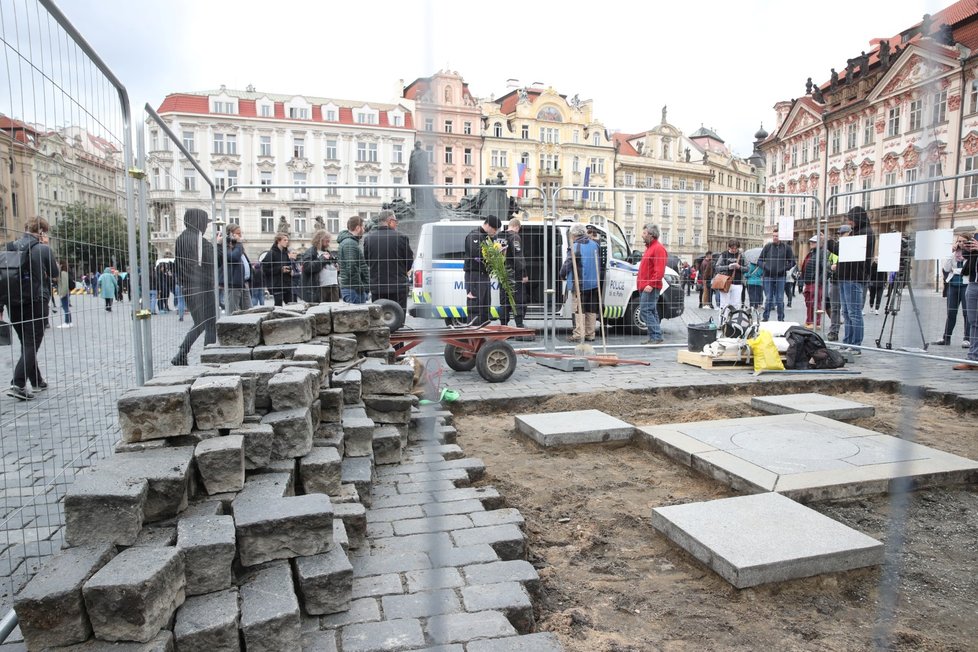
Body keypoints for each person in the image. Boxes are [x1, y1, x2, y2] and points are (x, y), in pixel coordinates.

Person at [4, 218, 59, 400]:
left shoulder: (9, 247)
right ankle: (18, 383)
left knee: (27, 343)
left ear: (26, 228)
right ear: (42, 232)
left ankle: (36, 380)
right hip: (36, 302)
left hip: (13, 304)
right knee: (31, 343)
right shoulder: (42, 249)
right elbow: (54, 274)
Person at [172, 208, 217, 366]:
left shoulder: (180, 239)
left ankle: (182, 353)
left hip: (187, 287)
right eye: (205, 223)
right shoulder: (200, 240)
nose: (206, 227)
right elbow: (212, 261)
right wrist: (216, 245)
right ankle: (209, 358)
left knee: (200, 323)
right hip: (202, 287)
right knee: (210, 323)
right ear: (199, 222)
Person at [828, 206, 875, 353]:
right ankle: (847, 342)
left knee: (854, 312)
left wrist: (829, 242)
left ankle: (856, 345)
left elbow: (842, 249)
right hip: (845, 276)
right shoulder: (855, 232)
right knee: (847, 313)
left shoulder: (865, 233)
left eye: (851, 219)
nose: (849, 222)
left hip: (854, 277)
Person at [363, 209, 413, 312]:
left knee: (379, 318)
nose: (396, 224)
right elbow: (409, 261)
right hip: (398, 286)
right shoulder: (401, 238)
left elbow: (367, 261)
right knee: (397, 318)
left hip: (378, 286)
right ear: (390, 221)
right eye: (395, 221)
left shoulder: (369, 239)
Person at [462, 215, 501, 325]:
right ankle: (473, 334)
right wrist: (493, 253)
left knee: (485, 306)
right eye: (494, 229)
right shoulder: (475, 235)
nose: (495, 232)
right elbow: (476, 253)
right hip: (474, 274)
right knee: (475, 305)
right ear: (488, 225)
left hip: (484, 275)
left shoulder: (486, 238)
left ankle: (482, 333)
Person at [565, 223, 600, 343]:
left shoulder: (575, 247)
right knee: (591, 309)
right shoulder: (595, 245)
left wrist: (561, 274)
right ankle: (590, 334)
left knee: (579, 308)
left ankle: (579, 334)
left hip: (580, 283)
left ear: (574, 234)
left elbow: (568, 264)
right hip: (594, 283)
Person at [938, 230, 973, 347]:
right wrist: (950, 252)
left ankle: (967, 339)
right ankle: (946, 338)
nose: (961, 243)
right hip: (953, 285)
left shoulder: (971, 253)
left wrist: (956, 270)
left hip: (966, 285)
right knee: (951, 312)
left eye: (964, 241)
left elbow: (967, 271)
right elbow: (947, 268)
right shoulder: (954, 254)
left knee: (966, 313)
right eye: (959, 241)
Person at [757, 226, 796, 322]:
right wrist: (766, 267)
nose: (775, 238)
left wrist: (784, 269)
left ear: (781, 237)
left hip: (780, 276)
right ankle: (765, 318)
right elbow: (759, 261)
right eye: (774, 236)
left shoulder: (786, 248)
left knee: (779, 298)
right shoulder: (768, 247)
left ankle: (781, 318)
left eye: (777, 236)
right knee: (769, 297)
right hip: (768, 276)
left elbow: (792, 262)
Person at [637, 223, 667, 345]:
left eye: (644, 233)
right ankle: (654, 336)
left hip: (650, 286)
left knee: (645, 310)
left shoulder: (658, 248)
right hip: (645, 285)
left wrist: (651, 284)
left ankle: (656, 335)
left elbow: (659, 270)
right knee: (651, 310)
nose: (642, 235)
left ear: (651, 235)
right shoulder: (650, 248)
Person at [499, 218, 528, 329]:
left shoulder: (499, 236)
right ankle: (519, 325)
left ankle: (503, 326)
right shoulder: (515, 237)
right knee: (519, 299)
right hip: (514, 273)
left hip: (502, 272)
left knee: (504, 301)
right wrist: (524, 274)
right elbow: (518, 257)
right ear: (517, 227)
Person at [956, 230, 978, 369]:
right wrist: (966, 248)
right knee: (974, 321)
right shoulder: (976, 235)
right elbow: (968, 258)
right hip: (973, 282)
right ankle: (973, 359)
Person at [300, 229, 339, 303]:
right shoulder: (311, 252)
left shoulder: (327, 251)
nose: (328, 244)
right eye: (326, 241)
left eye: (329, 241)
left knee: (334, 310)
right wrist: (322, 259)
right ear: (320, 240)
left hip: (333, 285)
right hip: (320, 287)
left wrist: (336, 266)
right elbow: (307, 267)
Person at [338, 216, 370, 304]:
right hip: (353, 289)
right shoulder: (350, 243)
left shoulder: (350, 242)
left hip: (352, 288)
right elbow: (351, 267)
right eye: (363, 227)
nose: (364, 230)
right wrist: (359, 286)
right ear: (358, 228)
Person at [222, 224, 253, 314]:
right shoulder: (226, 246)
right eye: (238, 233)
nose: (240, 236)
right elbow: (234, 258)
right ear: (230, 234)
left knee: (249, 311)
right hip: (233, 284)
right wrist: (239, 243)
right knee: (233, 311)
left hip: (243, 283)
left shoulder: (238, 246)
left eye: (241, 233)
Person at [800, 234, 828, 329]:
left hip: (815, 282)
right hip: (809, 282)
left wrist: (819, 282)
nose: (811, 243)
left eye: (814, 242)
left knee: (815, 303)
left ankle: (816, 322)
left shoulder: (821, 253)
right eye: (811, 242)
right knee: (809, 302)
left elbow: (825, 269)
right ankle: (809, 321)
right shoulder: (811, 253)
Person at [264, 232, 296, 306]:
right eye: (284, 240)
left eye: (287, 240)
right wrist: (280, 269)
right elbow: (265, 269)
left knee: (292, 305)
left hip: (287, 284)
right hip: (277, 285)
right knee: (278, 306)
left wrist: (290, 270)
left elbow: (289, 265)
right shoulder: (271, 253)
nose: (287, 242)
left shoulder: (286, 253)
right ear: (278, 241)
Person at [714, 239, 745, 311]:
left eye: (736, 248)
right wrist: (728, 267)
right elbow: (717, 267)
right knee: (724, 305)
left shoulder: (741, 255)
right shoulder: (724, 254)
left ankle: (733, 321)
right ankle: (723, 321)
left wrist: (739, 267)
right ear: (729, 247)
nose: (734, 250)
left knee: (735, 305)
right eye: (732, 248)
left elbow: (748, 268)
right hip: (725, 283)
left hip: (737, 282)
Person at [57, 261, 74, 328]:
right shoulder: (65, 272)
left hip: (64, 293)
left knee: (65, 308)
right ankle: (69, 322)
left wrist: (62, 294)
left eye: (58, 264)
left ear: (61, 265)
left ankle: (67, 322)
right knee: (66, 307)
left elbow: (65, 285)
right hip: (66, 292)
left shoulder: (63, 273)